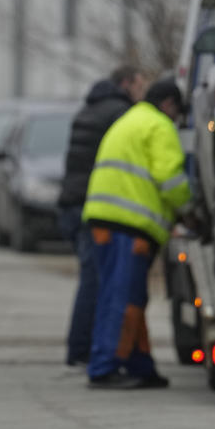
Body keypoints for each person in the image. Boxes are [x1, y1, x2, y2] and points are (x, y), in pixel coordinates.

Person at [82, 78, 192, 389]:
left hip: (105, 221)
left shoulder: (129, 120)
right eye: (177, 113)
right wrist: (190, 208)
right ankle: (104, 368)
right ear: (169, 104)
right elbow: (169, 179)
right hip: (129, 226)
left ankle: (139, 365)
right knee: (124, 298)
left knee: (125, 296)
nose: (175, 120)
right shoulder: (159, 125)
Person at [57, 65, 147, 367]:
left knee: (90, 278)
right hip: (92, 206)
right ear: (126, 83)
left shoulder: (88, 108)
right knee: (96, 280)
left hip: (70, 203)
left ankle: (81, 347)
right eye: (138, 84)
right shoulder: (120, 112)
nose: (141, 92)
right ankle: (83, 350)